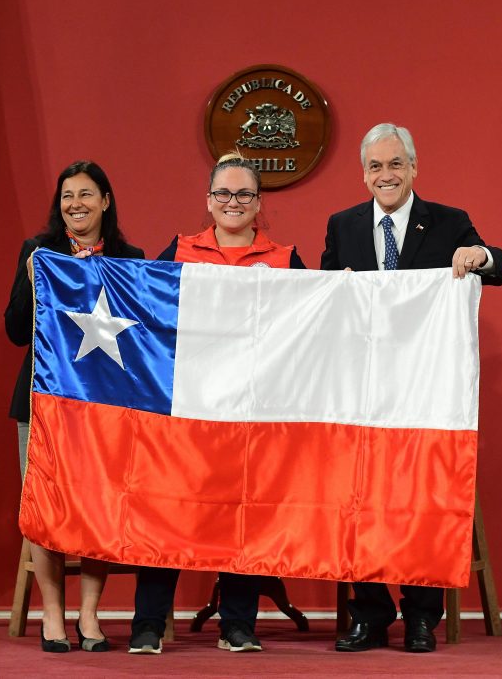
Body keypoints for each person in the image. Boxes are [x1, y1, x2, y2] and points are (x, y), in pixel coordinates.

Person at [321, 123, 502, 654]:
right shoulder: (344, 226)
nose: (386, 175)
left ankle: (421, 614)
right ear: (363, 174)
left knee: (423, 497)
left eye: (396, 164)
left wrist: (480, 257)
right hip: (361, 390)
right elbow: (325, 298)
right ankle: (370, 612)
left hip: (427, 392)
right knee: (359, 496)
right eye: (376, 167)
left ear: (414, 168)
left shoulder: (449, 222)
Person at [128, 153, 306, 655]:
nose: (233, 203)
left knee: (242, 514)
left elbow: (309, 323)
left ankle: (238, 625)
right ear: (208, 201)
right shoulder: (180, 250)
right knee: (167, 512)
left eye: (244, 195)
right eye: (223, 194)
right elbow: (140, 308)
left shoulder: (284, 259)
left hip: (254, 412)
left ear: (258, 203)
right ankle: (147, 623)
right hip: (186, 407)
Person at [5, 160, 145, 653]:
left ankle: (89, 613)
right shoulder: (38, 252)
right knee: (43, 506)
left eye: (86, 194)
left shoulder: (132, 259)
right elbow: (16, 330)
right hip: (41, 404)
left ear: (105, 201)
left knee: (97, 506)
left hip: (103, 409)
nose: (76, 204)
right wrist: (30, 284)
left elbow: (144, 341)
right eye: (67, 196)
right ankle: (52, 614)